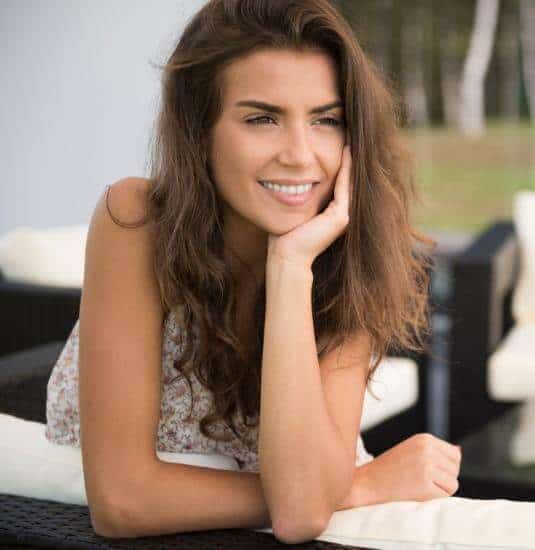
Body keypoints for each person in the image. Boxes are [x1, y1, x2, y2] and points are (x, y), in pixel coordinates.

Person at [43, 0, 461, 543]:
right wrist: (353, 487)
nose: (299, 154)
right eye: (262, 118)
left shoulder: (350, 257)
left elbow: (304, 514)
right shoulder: (137, 220)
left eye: (326, 120)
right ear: (200, 130)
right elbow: (123, 501)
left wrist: (290, 265)